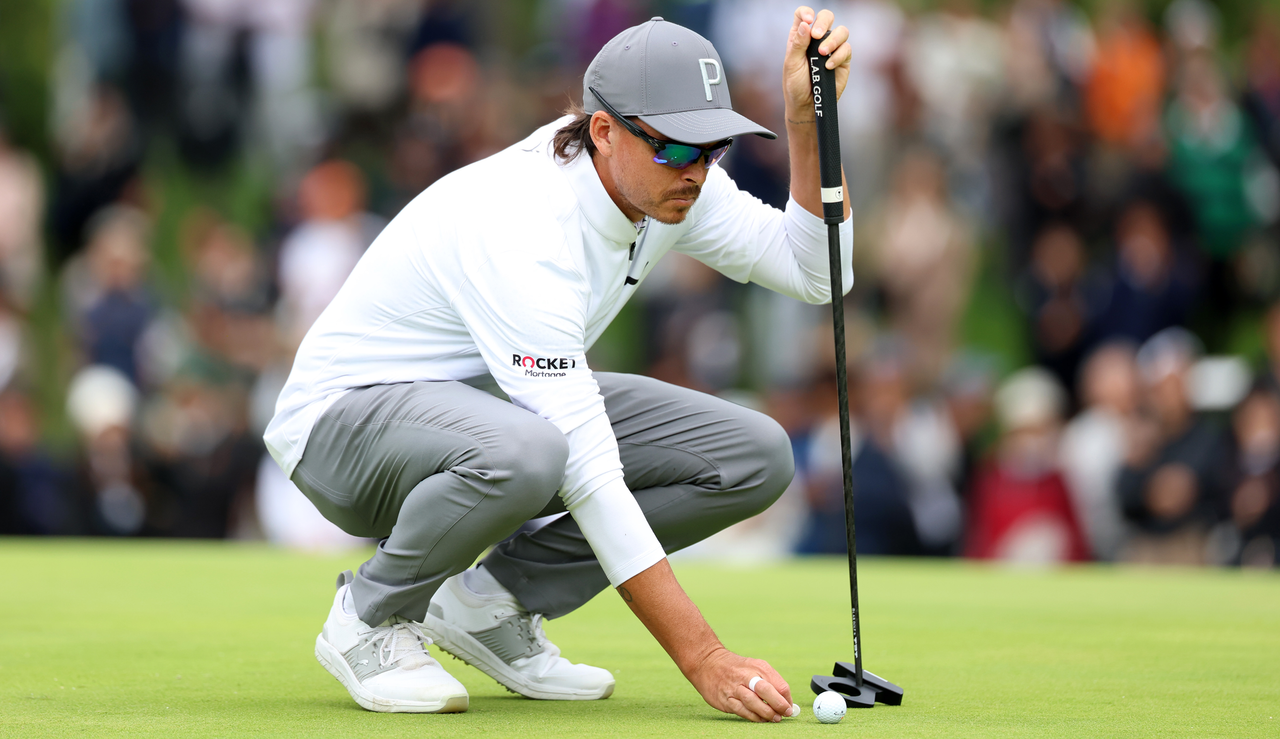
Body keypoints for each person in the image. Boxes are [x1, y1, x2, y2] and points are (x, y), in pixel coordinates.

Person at [264, 9, 854, 722]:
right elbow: (586, 468)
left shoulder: (673, 180)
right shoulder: (526, 222)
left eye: (713, 146)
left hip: (484, 410)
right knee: (538, 449)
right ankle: (368, 616)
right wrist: (703, 656)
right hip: (343, 427)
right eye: (675, 148)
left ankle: (491, 606)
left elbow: (819, 269)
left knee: (752, 455)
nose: (696, 169)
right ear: (604, 131)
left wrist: (806, 122)